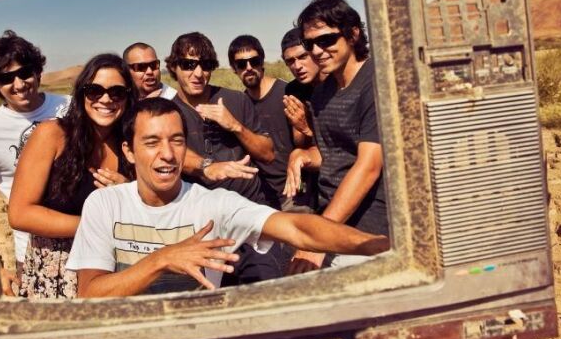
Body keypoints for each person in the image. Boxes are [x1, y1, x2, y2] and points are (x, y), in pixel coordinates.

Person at [66, 97, 389, 296]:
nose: (168, 154)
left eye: (177, 140)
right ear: (129, 152)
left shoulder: (213, 204)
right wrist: (162, 259)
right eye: (152, 143)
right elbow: (90, 294)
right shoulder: (105, 204)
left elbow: (297, 228)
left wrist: (377, 245)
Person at [8, 53, 135, 298]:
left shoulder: (129, 145)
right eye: (94, 91)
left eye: (117, 92)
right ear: (81, 93)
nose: (105, 99)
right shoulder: (52, 134)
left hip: (113, 270)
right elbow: (20, 213)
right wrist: (94, 226)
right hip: (56, 273)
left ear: (128, 97)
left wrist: (128, 191)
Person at [166, 31, 281, 286]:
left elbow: (268, 153)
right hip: (203, 228)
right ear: (173, 67)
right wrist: (206, 167)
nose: (198, 73)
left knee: (268, 289)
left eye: (206, 65)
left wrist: (235, 126)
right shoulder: (168, 111)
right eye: (188, 65)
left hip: (250, 215)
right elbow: (170, 153)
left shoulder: (236, 100)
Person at [284, 0, 389, 274]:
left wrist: (318, 240)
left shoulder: (377, 83)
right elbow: (334, 154)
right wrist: (304, 155)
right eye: (309, 44)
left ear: (353, 34)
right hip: (333, 219)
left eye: (327, 40)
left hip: (370, 228)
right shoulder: (322, 93)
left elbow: (369, 166)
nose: (317, 51)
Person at [0, 30, 70, 294]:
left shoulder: (71, 107)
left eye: (24, 73)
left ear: (37, 72)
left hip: (91, 239)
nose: (18, 84)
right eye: (6, 78)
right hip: (33, 253)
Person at [228, 34, 291, 210]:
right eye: (241, 64)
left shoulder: (287, 92)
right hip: (261, 197)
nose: (249, 68)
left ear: (262, 62)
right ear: (234, 69)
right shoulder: (240, 104)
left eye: (254, 61)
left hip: (294, 192)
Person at [280, 27, 325, 149]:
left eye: (303, 56)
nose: (297, 66)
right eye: (290, 61)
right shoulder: (294, 89)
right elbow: (300, 143)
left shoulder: (337, 81)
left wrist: (307, 128)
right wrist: (302, 124)